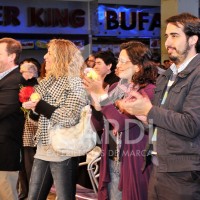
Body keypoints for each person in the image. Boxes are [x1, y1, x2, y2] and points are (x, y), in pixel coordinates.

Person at [119, 13, 200, 200]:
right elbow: (162, 120)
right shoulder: (166, 76)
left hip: (184, 174)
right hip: (157, 167)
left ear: (193, 39)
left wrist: (149, 110)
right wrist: (143, 115)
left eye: (175, 35)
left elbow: (191, 125)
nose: (168, 42)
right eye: (166, 36)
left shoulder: (197, 75)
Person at [84, 41, 157, 200]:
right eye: (119, 60)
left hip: (134, 161)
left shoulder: (148, 91)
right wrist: (95, 100)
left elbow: (122, 123)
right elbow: (98, 124)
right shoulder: (116, 87)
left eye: (124, 61)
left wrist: (102, 96)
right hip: (111, 159)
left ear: (138, 66)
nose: (119, 65)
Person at [22, 39, 88, 200]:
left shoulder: (76, 82)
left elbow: (70, 117)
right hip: (43, 147)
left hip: (63, 150)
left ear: (61, 57)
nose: (45, 56)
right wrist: (34, 111)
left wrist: (40, 106)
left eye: (49, 53)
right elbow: (39, 118)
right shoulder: (47, 82)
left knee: (65, 197)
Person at [0, 37, 25, 200]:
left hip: (5, 148)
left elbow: (4, 108)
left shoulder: (15, 80)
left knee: (6, 192)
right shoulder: (5, 78)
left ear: (11, 56)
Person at [18, 59, 41, 200]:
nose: (20, 74)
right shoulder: (21, 86)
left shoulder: (38, 87)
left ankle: (31, 195)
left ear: (32, 73)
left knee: (30, 166)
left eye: (22, 72)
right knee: (21, 166)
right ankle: (24, 193)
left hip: (31, 132)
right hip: (20, 131)